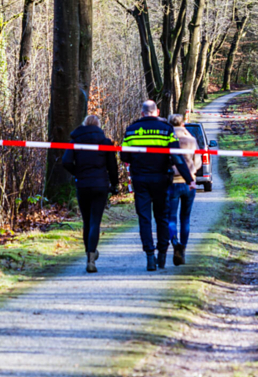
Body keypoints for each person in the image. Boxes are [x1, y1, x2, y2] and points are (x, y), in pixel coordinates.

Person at [121, 100, 195, 271]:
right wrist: (188, 178)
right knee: (162, 217)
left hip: (140, 180)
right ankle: (162, 256)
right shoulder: (166, 129)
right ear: (157, 111)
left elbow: (124, 156)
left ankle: (149, 257)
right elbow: (177, 157)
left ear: (142, 113)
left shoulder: (131, 130)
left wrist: (137, 159)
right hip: (161, 180)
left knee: (144, 218)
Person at [61, 115, 119, 273]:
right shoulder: (105, 142)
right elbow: (112, 166)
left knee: (86, 222)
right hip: (100, 186)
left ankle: (90, 255)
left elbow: (66, 161)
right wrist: (115, 184)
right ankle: (91, 257)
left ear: (84, 124)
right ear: (99, 126)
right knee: (95, 222)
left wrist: (77, 173)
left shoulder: (75, 142)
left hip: (83, 185)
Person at [166, 114, 200, 266]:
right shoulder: (191, 140)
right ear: (183, 124)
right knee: (185, 218)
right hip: (189, 183)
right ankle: (183, 248)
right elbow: (198, 162)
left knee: (171, 217)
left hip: (172, 182)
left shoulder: (167, 139)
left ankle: (175, 242)